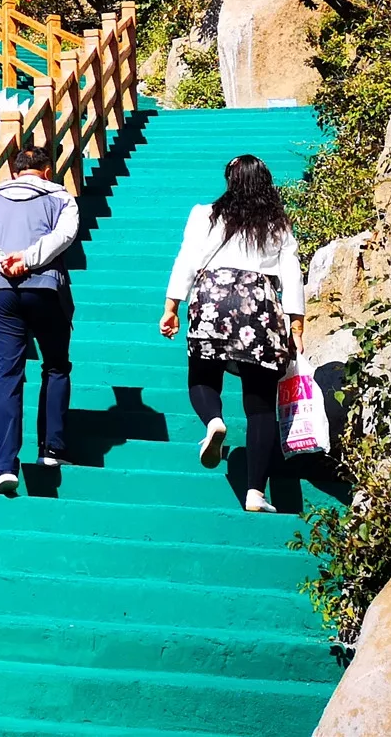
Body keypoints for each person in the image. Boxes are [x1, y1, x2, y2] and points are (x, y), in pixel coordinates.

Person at [158, 154, 304, 513]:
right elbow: (292, 272)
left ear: (230, 180)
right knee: (260, 404)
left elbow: (187, 259)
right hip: (258, 305)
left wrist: (171, 306)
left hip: (212, 297)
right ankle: (255, 493)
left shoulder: (204, 214)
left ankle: (214, 421)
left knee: (202, 376)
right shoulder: (278, 222)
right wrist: (296, 323)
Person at [0, 143, 79, 496]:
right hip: (45, 288)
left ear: (13, 173)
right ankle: (51, 449)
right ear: (48, 171)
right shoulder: (61, 198)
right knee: (56, 366)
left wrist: (2, 261)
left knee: (7, 375)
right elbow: (64, 237)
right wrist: (27, 259)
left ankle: (4, 466)